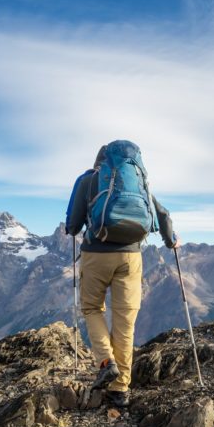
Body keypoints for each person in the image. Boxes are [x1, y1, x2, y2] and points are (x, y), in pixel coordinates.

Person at [65, 140, 179, 407]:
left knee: (92, 309)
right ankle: (120, 390)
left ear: (100, 162)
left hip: (96, 254)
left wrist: (75, 228)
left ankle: (106, 361)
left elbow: (72, 224)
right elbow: (161, 214)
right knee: (125, 322)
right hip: (131, 256)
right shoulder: (139, 182)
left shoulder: (88, 181)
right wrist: (171, 239)